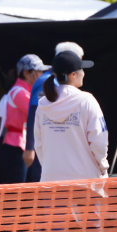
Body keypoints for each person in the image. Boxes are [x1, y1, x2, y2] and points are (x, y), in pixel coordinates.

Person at [34, 50, 107, 232]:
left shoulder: (43, 104)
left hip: (53, 178)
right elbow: (99, 140)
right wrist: (102, 165)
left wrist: (51, 167)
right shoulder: (87, 100)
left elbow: (39, 144)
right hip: (84, 178)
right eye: (82, 70)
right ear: (74, 75)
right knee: (92, 231)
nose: (84, 74)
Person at [23, 42, 86, 182]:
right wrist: (30, 148)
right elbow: (34, 113)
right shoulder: (47, 82)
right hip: (47, 151)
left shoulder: (60, 84)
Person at [0, 54, 48, 183]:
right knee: (17, 193)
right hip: (15, 147)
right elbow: (39, 112)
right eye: (38, 71)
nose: (42, 74)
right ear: (26, 73)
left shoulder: (27, 91)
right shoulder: (18, 91)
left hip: (22, 146)